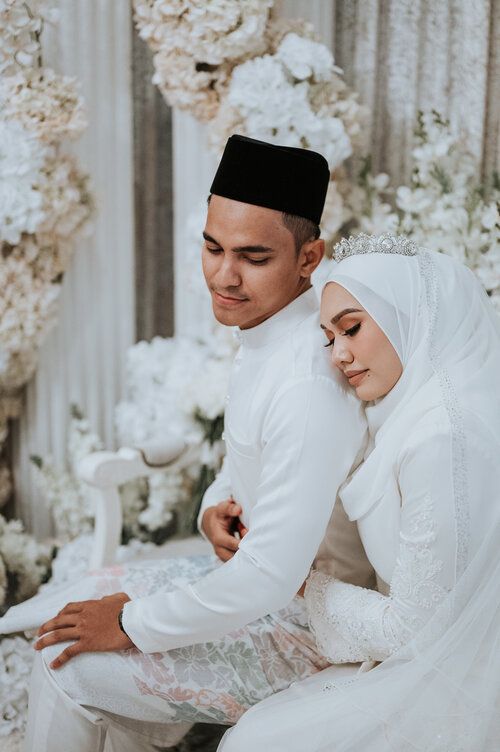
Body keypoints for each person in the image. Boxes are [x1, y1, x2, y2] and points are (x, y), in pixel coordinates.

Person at [0, 136, 372, 751]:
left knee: (64, 657)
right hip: (260, 587)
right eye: (212, 246)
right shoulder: (268, 329)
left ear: (310, 257)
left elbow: (271, 582)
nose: (224, 276)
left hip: (308, 627)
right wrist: (214, 504)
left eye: (253, 256)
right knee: (77, 602)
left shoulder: (309, 378)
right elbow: (245, 452)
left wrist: (128, 624)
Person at [218, 233, 500, 751]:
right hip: (417, 653)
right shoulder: (398, 416)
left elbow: (414, 629)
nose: (338, 355)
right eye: (329, 338)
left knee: (256, 742)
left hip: (460, 674)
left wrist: (302, 584)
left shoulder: (441, 437)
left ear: (412, 318)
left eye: (351, 328)